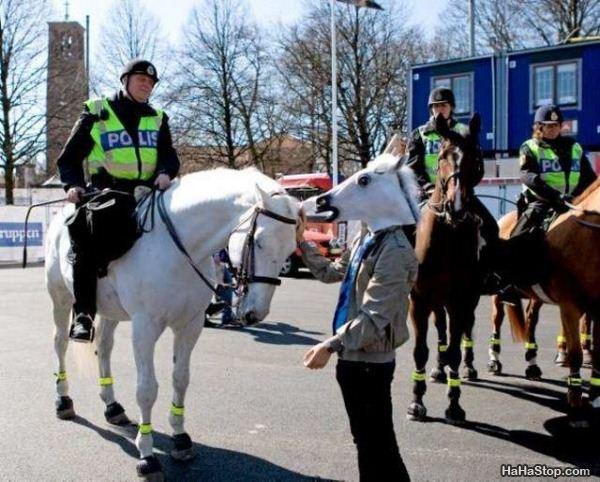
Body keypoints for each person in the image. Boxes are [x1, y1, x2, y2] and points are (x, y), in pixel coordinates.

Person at [57, 59, 180, 342]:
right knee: (86, 235)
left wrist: (165, 171)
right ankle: (85, 315)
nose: (146, 85)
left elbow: (168, 154)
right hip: (107, 195)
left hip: (149, 193)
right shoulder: (97, 111)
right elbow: (70, 157)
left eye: (150, 82)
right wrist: (73, 184)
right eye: (140, 79)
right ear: (125, 81)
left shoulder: (158, 116)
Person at [299, 211, 418, 482]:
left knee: (379, 447)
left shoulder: (395, 249)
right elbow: (331, 272)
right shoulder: (365, 236)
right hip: (352, 359)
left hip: (371, 364)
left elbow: (375, 317)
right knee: (367, 444)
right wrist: (302, 242)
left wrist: (331, 345)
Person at [406, 86, 498, 246]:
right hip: (428, 194)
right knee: (403, 230)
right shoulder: (419, 134)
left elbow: (477, 167)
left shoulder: (464, 131)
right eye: (436, 106)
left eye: (444, 105)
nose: (439, 109)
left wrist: (464, 187)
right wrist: (427, 186)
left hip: (460, 193)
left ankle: (489, 270)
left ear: (451, 108)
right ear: (431, 109)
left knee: (491, 227)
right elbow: (413, 168)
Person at [511, 104, 596, 238]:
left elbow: (589, 177)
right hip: (542, 204)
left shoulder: (574, 147)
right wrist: (555, 197)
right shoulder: (529, 147)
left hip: (574, 202)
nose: (553, 129)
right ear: (539, 127)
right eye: (548, 125)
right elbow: (529, 177)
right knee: (516, 239)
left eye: (556, 125)